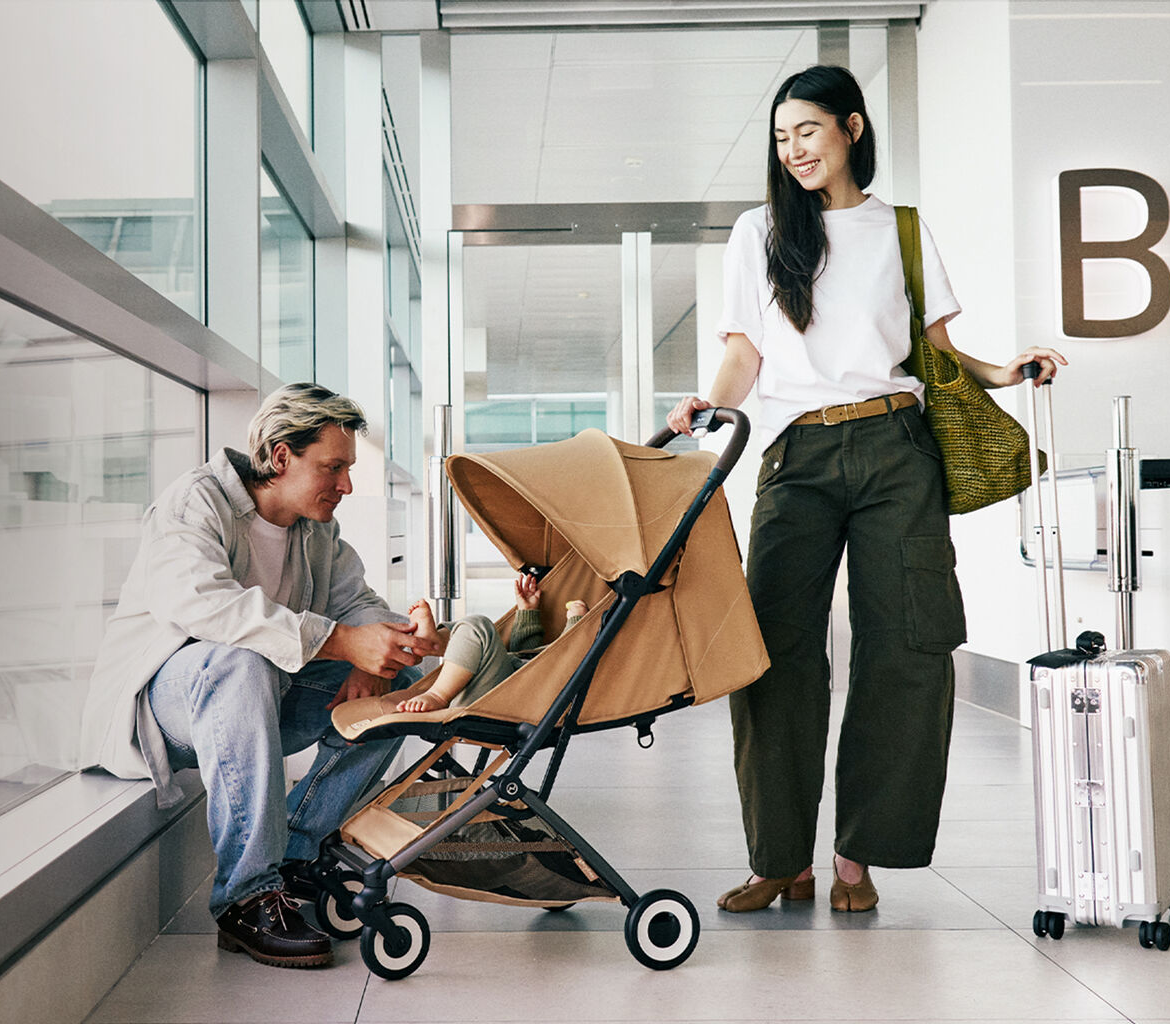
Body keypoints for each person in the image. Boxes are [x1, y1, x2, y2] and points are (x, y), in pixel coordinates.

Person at [668, 65, 1065, 915]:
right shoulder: (759, 231)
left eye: (806, 130)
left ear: (851, 127)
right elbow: (744, 352)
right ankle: (781, 858)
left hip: (896, 447)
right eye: (781, 138)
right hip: (796, 457)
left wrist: (1010, 369)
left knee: (909, 647)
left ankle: (859, 853)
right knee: (771, 651)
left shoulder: (903, 230)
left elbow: (937, 352)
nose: (793, 149)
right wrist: (711, 401)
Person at [79, 383, 446, 969]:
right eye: (334, 467)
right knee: (237, 659)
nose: (346, 485)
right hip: (168, 707)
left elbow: (356, 601)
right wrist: (340, 642)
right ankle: (246, 896)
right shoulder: (193, 503)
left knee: (403, 686)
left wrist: (392, 641)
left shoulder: (314, 527)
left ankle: (296, 856)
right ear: (280, 456)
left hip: (256, 705)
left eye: (348, 468)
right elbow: (200, 605)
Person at [386, 576, 586, 714]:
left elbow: (570, 655)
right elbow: (526, 654)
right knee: (465, 630)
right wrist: (527, 611)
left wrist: (578, 622)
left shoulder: (565, 663)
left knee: (477, 626)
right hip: (499, 681)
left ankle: (437, 695)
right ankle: (435, 641)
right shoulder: (541, 664)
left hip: (502, 699)